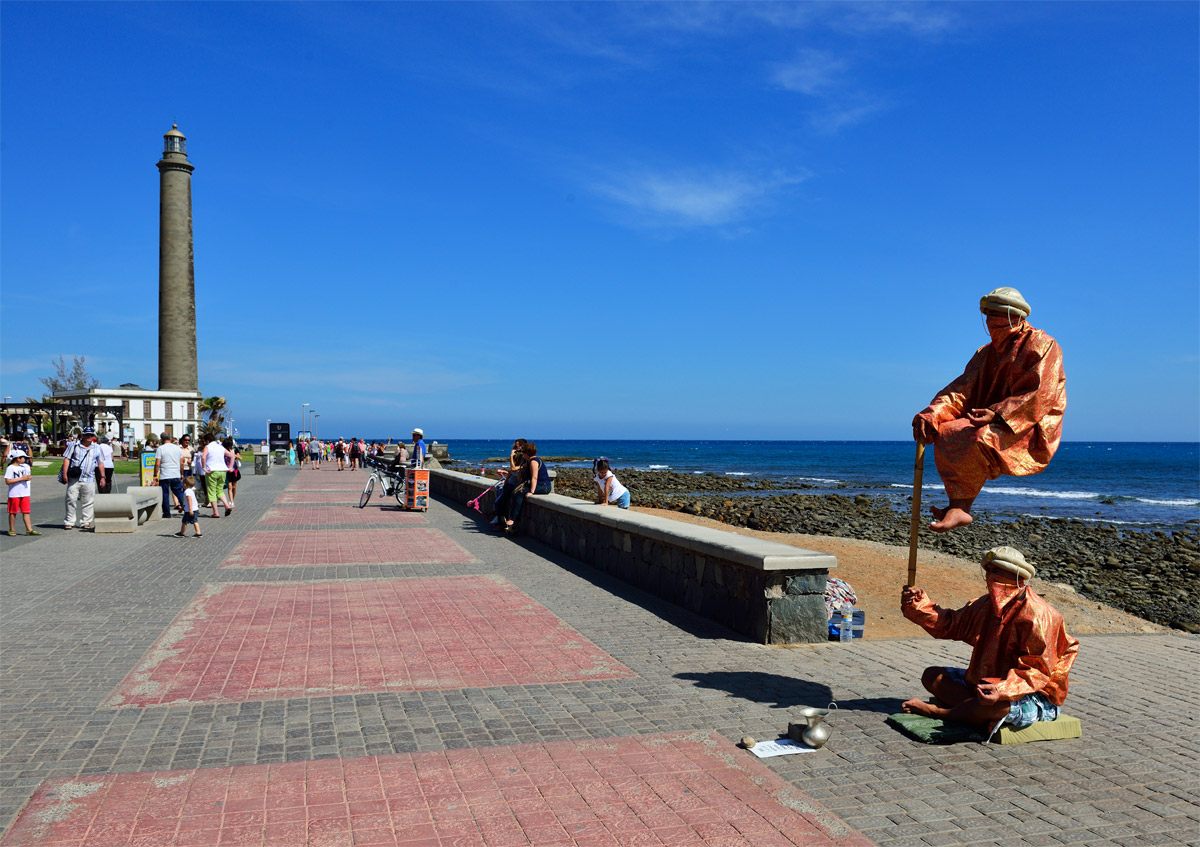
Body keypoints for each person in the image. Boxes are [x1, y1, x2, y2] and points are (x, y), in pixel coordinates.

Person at [912, 287, 1066, 532]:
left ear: (1016, 316)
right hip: (991, 417)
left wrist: (998, 413)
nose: (992, 321)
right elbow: (962, 390)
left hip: (1028, 423)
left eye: (998, 314)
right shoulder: (985, 354)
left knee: (980, 437)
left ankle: (960, 507)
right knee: (948, 431)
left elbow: (1040, 392)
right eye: (989, 314)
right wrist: (933, 413)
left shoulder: (1042, 345)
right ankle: (959, 507)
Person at [900, 546, 1079, 736]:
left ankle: (941, 713)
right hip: (986, 681)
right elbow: (952, 624)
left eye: (997, 572)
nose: (989, 577)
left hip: (1032, 692)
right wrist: (918, 604)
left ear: (1017, 577)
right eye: (989, 571)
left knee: (998, 707)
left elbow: (1038, 671)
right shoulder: (985, 605)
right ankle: (974, 711)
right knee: (932, 676)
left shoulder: (1040, 615)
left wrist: (1001, 689)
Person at [61, 426, 104, 530]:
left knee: (88, 501)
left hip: (89, 478)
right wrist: (65, 473)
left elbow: (100, 463)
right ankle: (69, 521)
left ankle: (86, 522)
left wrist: (102, 477)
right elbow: (67, 459)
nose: (89, 437)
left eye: (91, 435)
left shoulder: (97, 448)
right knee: (71, 499)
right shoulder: (74, 445)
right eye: (86, 435)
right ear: (83, 435)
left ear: (93, 436)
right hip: (74, 478)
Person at [504, 442, 551, 532]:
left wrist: (531, 492)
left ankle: (513, 519)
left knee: (520, 493)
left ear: (526, 453)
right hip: (538, 485)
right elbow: (522, 468)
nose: (522, 454)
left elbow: (534, 477)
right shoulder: (529, 461)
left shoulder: (534, 461)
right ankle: (513, 518)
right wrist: (520, 473)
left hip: (543, 487)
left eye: (523, 452)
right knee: (516, 492)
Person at [6, 449, 40, 536]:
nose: (25, 459)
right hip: (14, 493)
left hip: (25, 492)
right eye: (23, 458)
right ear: (18, 458)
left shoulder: (25, 466)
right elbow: (8, 481)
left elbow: (27, 476)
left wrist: (28, 478)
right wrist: (21, 479)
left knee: (26, 511)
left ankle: (29, 529)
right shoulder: (10, 468)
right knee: (13, 512)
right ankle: (11, 529)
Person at [202, 434, 235, 517]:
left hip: (212, 471)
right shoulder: (220, 447)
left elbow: (203, 457)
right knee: (219, 490)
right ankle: (227, 505)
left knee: (211, 492)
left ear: (207, 441)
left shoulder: (208, 447)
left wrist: (204, 467)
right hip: (222, 471)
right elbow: (232, 456)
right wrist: (230, 467)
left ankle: (216, 512)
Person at [153, 432, 185, 518]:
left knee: (165, 494)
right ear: (170, 438)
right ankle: (187, 508)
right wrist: (181, 474)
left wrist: (155, 475)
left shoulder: (161, 449)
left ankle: (167, 513)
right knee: (179, 492)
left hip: (165, 475)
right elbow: (181, 463)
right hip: (175, 474)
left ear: (161, 439)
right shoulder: (178, 448)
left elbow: (157, 464)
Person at [223, 437, 241, 505]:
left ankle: (232, 499)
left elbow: (240, 458)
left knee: (234, 487)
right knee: (229, 486)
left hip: (234, 470)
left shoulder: (234, 450)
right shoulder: (223, 451)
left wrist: (233, 455)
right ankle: (231, 501)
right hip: (227, 471)